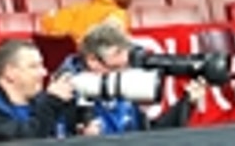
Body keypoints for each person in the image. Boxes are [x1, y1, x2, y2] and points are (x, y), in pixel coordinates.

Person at [53, 24, 203, 134]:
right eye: (116, 69)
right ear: (93, 61)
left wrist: (187, 103)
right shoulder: (64, 92)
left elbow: (149, 137)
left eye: (125, 68)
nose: (123, 75)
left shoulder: (123, 85)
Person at [0, 39, 77, 143]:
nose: (44, 72)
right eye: (34, 66)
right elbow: (26, 141)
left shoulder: (39, 102)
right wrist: (52, 103)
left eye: (41, 66)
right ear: (10, 73)